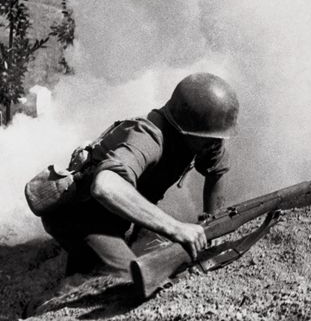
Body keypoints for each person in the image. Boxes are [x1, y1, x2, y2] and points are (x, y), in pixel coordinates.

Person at [39, 72, 239, 281]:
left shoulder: (203, 138)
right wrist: (176, 228)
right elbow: (105, 187)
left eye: (217, 138)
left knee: (142, 254)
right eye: (210, 139)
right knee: (133, 278)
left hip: (121, 212)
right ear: (185, 129)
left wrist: (211, 222)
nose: (215, 145)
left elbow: (216, 170)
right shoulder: (148, 137)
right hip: (80, 215)